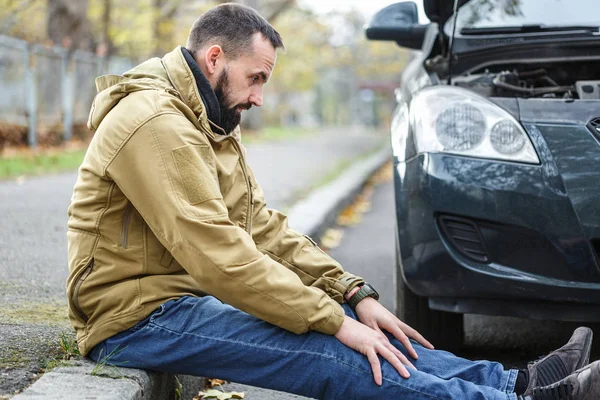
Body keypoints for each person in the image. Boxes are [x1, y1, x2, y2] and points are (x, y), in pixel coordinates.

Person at [66, 3, 599, 399]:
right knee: (333, 351)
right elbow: (220, 256)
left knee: (355, 322)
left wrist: (351, 292)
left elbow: (262, 229)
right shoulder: (156, 123)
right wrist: (332, 319)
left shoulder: (206, 120)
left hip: (180, 298)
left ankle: (514, 381)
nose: (258, 96)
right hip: (134, 319)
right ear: (213, 59)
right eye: (256, 78)